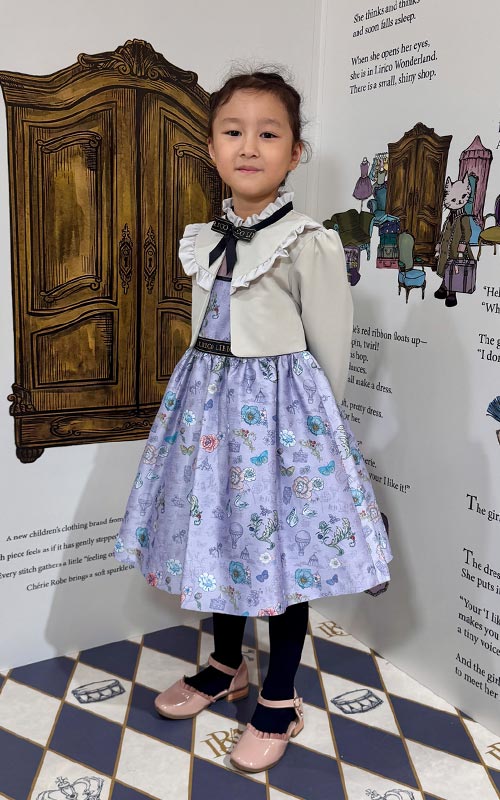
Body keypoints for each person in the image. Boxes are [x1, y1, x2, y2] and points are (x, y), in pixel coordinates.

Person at [114, 69, 392, 773]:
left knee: (278, 553)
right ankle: (226, 664)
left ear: (295, 152)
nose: (249, 147)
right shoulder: (204, 237)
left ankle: (279, 695)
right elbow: (205, 328)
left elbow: (330, 345)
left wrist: (315, 437)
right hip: (208, 416)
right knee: (220, 537)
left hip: (279, 425)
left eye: (268, 134)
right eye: (233, 132)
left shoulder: (307, 240)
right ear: (212, 148)